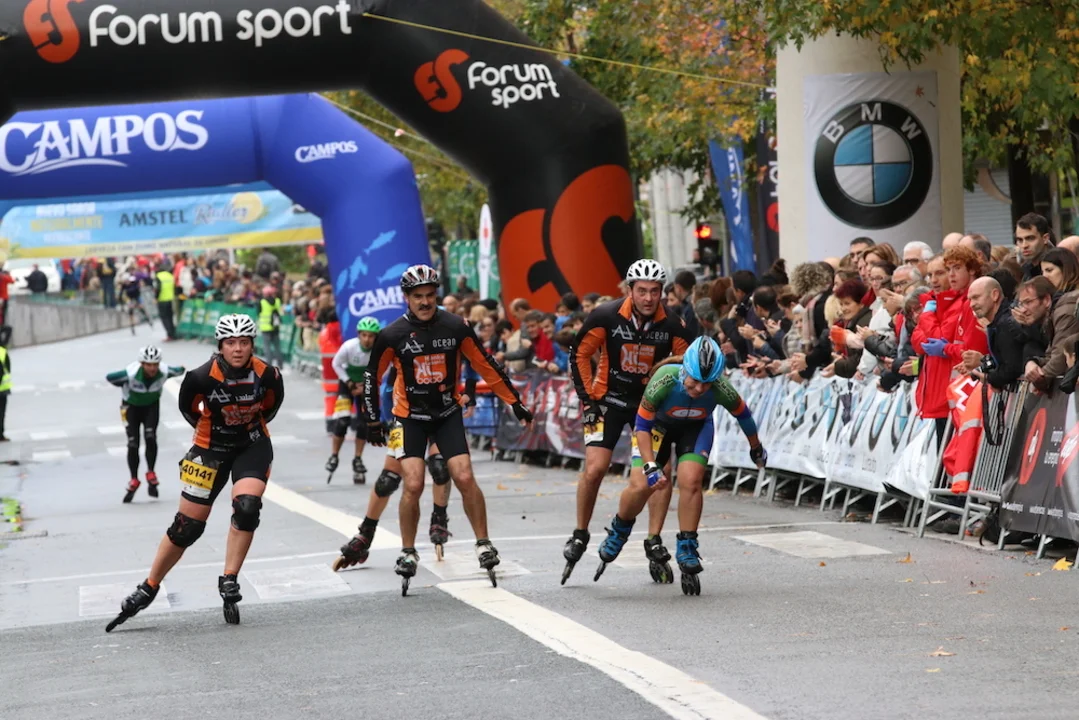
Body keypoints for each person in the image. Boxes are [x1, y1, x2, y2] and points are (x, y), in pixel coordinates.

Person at [362, 265, 534, 593]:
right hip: (409, 417)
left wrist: (515, 402)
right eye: (418, 297)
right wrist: (372, 419)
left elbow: (485, 364)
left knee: (463, 476)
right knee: (413, 483)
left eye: (430, 295)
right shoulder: (392, 334)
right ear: (407, 298)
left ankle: (483, 543)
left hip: (446, 413)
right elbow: (373, 375)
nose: (425, 302)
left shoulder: (455, 326)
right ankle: (408, 550)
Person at [107, 314, 285, 631]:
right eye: (231, 343)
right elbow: (189, 409)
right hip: (209, 448)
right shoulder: (200, 377)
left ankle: (229, 578)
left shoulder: (268, 374)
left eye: (244, 342)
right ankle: (149, 585)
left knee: (247, 507)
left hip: (251, 445)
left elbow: (271, 406)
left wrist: (243, 428)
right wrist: (215, 432)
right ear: (220, 345)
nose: (238, 349)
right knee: (186, 527)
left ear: (252, 345)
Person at [594, 337, 766, 595]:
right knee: (641, 484)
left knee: (692, 480)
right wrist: (650, 465)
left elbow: (744, 415)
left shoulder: (721, 387)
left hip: (695, 429)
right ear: (685, 369)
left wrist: (756, 448)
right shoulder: (665, 378)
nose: (699, 389)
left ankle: (687, 545)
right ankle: (620, 528)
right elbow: (641, 426)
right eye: (694, 381)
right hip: (656, 428)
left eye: (707, 384)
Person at [564, 259, 694, 584]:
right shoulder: (605, 315)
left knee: (660, 472)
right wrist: (587, 400)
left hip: (649, 407)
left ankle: (654, 538)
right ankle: (580, 532)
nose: (648, 298)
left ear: (662, 292)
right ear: (630, 290)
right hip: (607, 400)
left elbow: (687, 369)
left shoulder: (674, 325)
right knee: (595, 468)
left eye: (655, 291)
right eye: (642, 291)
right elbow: (579, 354)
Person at [107, 345, 186, 503]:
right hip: (130, 408)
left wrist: (183, 368)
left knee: (150, 437)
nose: (152, 368)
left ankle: (151, 472)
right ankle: (134, 478)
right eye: (148, 365)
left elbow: (180, 370)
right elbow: (110, 377)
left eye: (155, 364)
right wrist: (121, 384)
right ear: (142, 364)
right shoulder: (130, 373)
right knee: (133, 443)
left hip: (151, 407)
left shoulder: (165, 371)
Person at [326, 316, 381, 483]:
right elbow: (336, 364)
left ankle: (358, 458)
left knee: (363, 424)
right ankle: (334, 455)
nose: (367, 339)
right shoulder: (349, 347)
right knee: (342, 421)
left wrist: (366, 386)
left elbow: (384, 369)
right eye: (364, 335)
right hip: (347, 384)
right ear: (359, 335)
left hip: (366, 385)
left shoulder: (379, 350)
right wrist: (349, 383)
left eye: (371, 336)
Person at [1015, 212, 1053, 280]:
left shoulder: (1058, 268)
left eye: (1030, 238)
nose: (1024, 245)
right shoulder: (1025, 271)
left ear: (1045, 238)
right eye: (1020, 240)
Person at [258, 285, 284, 367]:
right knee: (277, 347)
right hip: (275, 327)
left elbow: (258, 312)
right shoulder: (277, 301)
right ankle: (280, 364)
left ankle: (269, 364)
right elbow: (281, 312)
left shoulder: (262, 302)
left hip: (265, 328)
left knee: (267, 347)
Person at [153, 260, 177, 341]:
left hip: (162, 299)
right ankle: (173, 334)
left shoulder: (158, 276)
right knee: (170, 317)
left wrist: (156, 298)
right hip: (170, 299)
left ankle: (169, 334)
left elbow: (158, 289)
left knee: (164, 318)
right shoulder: (170, 275)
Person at [0, 339, 11, 442]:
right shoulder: (2, 350)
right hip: (2, 389)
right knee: (1, 412)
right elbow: (7, 367)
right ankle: (0, 435)